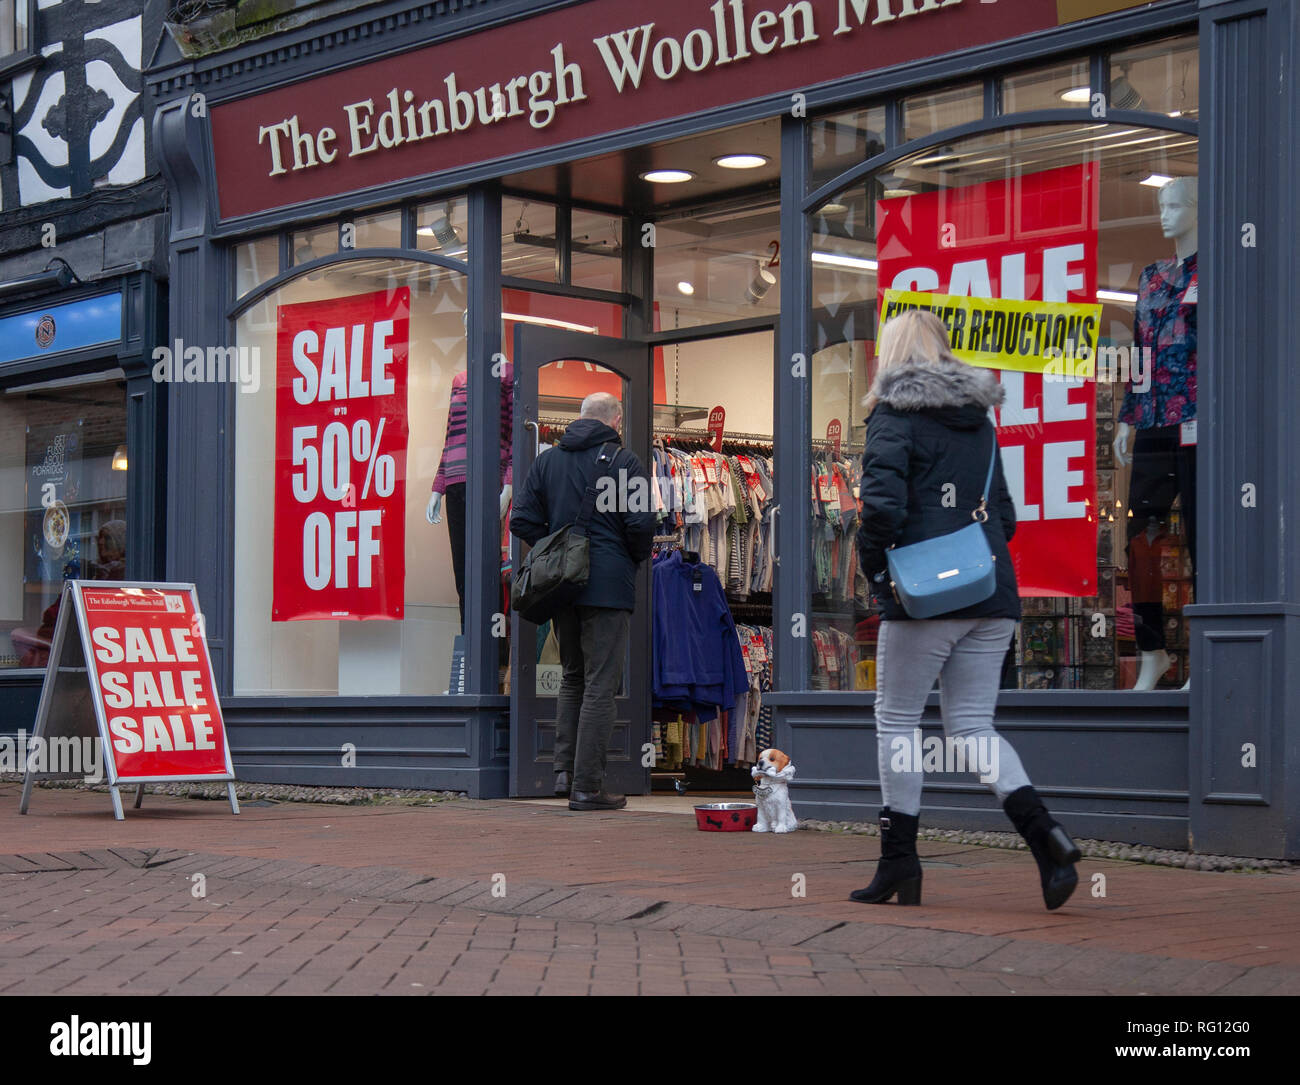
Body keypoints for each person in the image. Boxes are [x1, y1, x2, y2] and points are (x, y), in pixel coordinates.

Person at [850, 309, 1081, 911]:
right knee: (973, 726)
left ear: (892, 356)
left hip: (926, 596)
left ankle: (899, 861)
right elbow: (1004, 516)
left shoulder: (892, 417)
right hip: (991, 591)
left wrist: (882, 576)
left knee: (897, 721)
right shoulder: (980, 420)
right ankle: (1046, 839)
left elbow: (880, 509)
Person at [510, 391, 655, 810]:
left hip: (562, 585)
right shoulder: (625, 463)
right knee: (601, 684)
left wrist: (556, 549)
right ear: (617, 420)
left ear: (580, 418)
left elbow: (520, 519)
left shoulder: (547, 461)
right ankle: (588, 787)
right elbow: (641, 524)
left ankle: (563, 772)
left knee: (573, 676)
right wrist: (628, 558)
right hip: (608, 585)